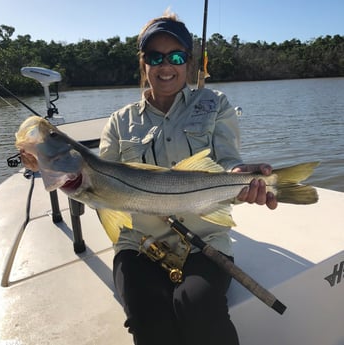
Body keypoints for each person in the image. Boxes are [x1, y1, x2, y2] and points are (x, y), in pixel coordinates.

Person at [99, 11, 277, 345]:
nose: (166, 66)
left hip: (205, 242)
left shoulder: (214, 104)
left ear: (189, 63)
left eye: (176, 56)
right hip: (139, 245)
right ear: (143, 64)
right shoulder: (119, 122)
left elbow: (228, 163)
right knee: (147, 315)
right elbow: (102, 181)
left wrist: (240, 179)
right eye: (155, 57)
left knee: (198, 306)